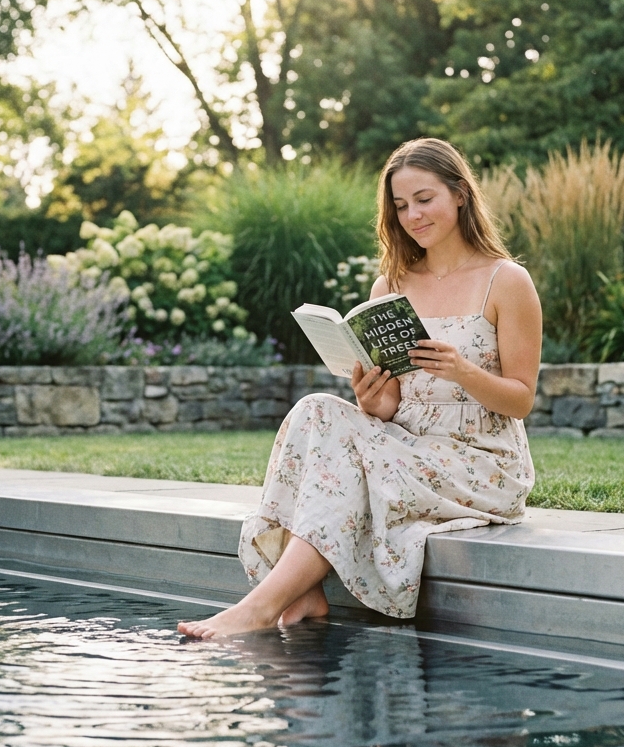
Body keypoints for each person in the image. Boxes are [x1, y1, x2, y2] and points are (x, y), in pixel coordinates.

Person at [177, 137, 541, 639]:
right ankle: (301, 595)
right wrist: (374, 401)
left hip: (482, 461)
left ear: (460, 194)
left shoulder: (507, 280)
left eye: (424, 199)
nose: (412, 215)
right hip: (408, 445)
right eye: (400, 205)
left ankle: (262, 606)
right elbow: (392, 405)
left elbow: (522, 397)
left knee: (340, 447)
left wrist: (463, 371)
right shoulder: (391, 284)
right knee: (316, 410)